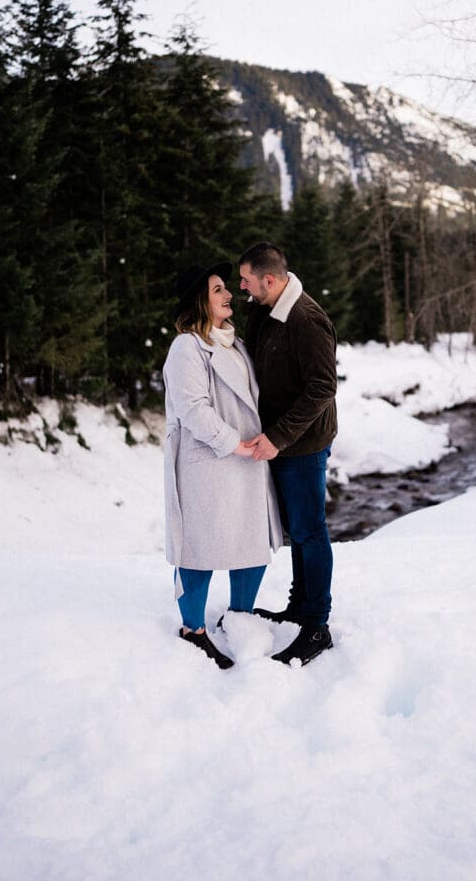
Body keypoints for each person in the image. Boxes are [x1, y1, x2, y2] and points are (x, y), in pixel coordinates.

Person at [163, 259, 283, 670]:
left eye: (226, 288)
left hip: (246, 459)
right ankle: (192, 630)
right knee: (200, 547)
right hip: (210, 462)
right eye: (218, 289)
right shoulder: (186, 347)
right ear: (200, 301)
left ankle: (240, 617)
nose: (229, 293)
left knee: (249, 543)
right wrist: (234, 443)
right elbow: (192, 409)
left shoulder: (233, 343)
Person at [238, 242, 337, 666]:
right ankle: (299, 607)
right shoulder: (266, 310)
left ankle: (317, 625)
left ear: (270, 280)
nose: (242, 287)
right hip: (282, 440)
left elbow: (322, 387)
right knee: (298, 529)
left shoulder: (306, 319)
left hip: (304, 443)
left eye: (246, 280)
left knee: (311, 530)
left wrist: (278, 437)